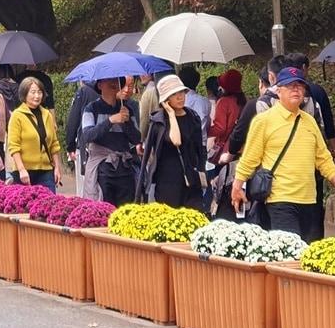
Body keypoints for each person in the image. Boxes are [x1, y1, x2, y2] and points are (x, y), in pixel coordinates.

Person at [233, 67, 335, 241]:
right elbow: (250, 158)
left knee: (307, 255)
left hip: (309, 199)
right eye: (290, 85)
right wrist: (237, 186)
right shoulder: (264, 121)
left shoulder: (309, 121)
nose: (296, 89)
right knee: (289, 253)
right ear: (278, 91)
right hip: (280, 199)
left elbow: (322, 157)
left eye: (300, 86)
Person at [139, 75, 207, 209]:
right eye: (174, 94)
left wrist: (201, 170)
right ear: (165, 99)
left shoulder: (193, 117)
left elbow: (200, 147)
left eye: (181, 92)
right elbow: (176, 140)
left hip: (190, 180)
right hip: (167, 181)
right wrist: (170, 114)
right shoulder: (159, 121)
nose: (180, 97)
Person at [79, 77, 141, 205]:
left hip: (124, 168)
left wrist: (127, 122)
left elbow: (136, 139)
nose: (113, 82)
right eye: (108, 80)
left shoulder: (127, 109)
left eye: (116, 80)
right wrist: (111, 121)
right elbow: (88, 136)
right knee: (104, 210)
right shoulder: (91, 108)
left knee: (126, 212)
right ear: (100, 85)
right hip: (102, 168)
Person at [6, 77, 63, 190]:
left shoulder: (47, 115)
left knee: (49, 204)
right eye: (33, 92)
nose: (37, 96)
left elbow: (54, 145)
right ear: (24, 94)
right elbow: (14, 146)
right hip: (24, 172)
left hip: (46, 170)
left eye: (39, 92)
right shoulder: (17, 115)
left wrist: (57, 168)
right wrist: (21, 169)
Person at [208, 69, 247, 219]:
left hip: (225, 151)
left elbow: (220, 128)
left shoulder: (224, 102)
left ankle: (220, 217)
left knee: (220, 186)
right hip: (241, 151)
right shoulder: (244, 101)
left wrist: (206, 130)